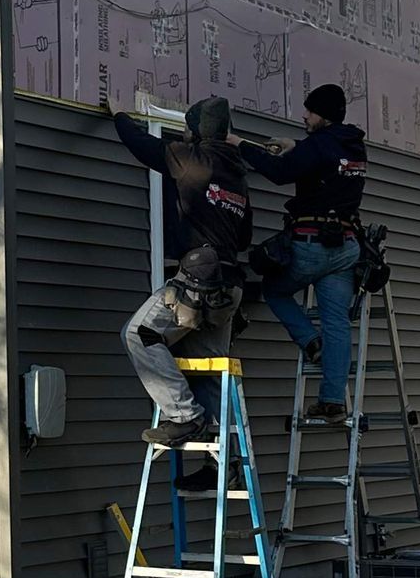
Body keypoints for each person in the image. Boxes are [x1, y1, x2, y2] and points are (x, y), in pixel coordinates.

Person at [112, 96, 253, 455]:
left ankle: (184, 415)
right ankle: (223, 466)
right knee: (207, 367)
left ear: (195, 132)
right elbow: (244, 238)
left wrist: (119, 115)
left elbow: (141, 144)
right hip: (228, 287)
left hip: (196, 282)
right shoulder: (238, 175)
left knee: (140, 334)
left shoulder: (191, 159)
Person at [240, 84, 367, 422]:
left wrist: (239, 144)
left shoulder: (320, 144)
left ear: (323, 115)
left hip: (312, 244)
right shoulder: (353, 146)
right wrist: (297, 146)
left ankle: (311, 342)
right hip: (345, 247)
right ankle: (333, 401)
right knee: (337, 322)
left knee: (274, 290)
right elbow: (324, 158)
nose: (304, 115)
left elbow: (280, 172)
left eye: (309, 111)